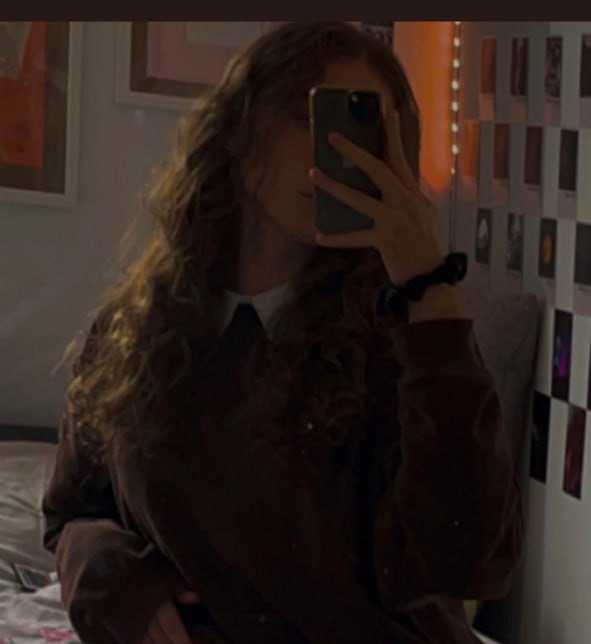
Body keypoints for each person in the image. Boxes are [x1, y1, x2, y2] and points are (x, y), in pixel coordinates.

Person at [42, 21, 523, 644]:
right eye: (309, 116)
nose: (335, 150)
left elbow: (472, 561)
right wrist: (107, 572)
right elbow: (71, 511)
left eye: (364, 127)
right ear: (241, 135)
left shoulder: (403, 341)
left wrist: (428, 287)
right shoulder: (134, 331)